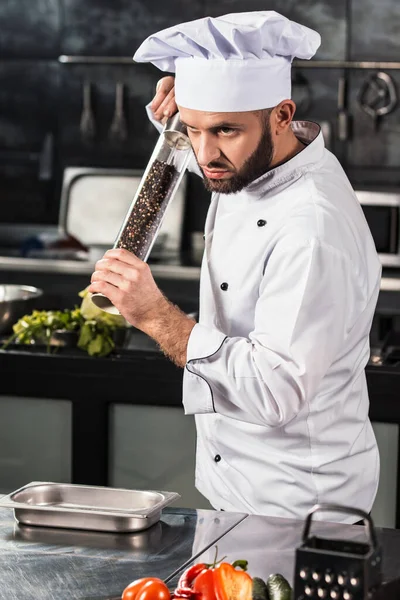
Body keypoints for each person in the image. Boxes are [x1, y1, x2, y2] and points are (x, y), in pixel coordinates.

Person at [88, 11, 381, 523]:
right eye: (192, 130)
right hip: (233, 493)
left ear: (282, 115)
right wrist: (191, 113)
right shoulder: (258, 160)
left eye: (225, 130)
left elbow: (273, 391)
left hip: (299, 511)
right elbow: (210, 137)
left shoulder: (312, 228)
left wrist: (155, 315)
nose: (206, 155)